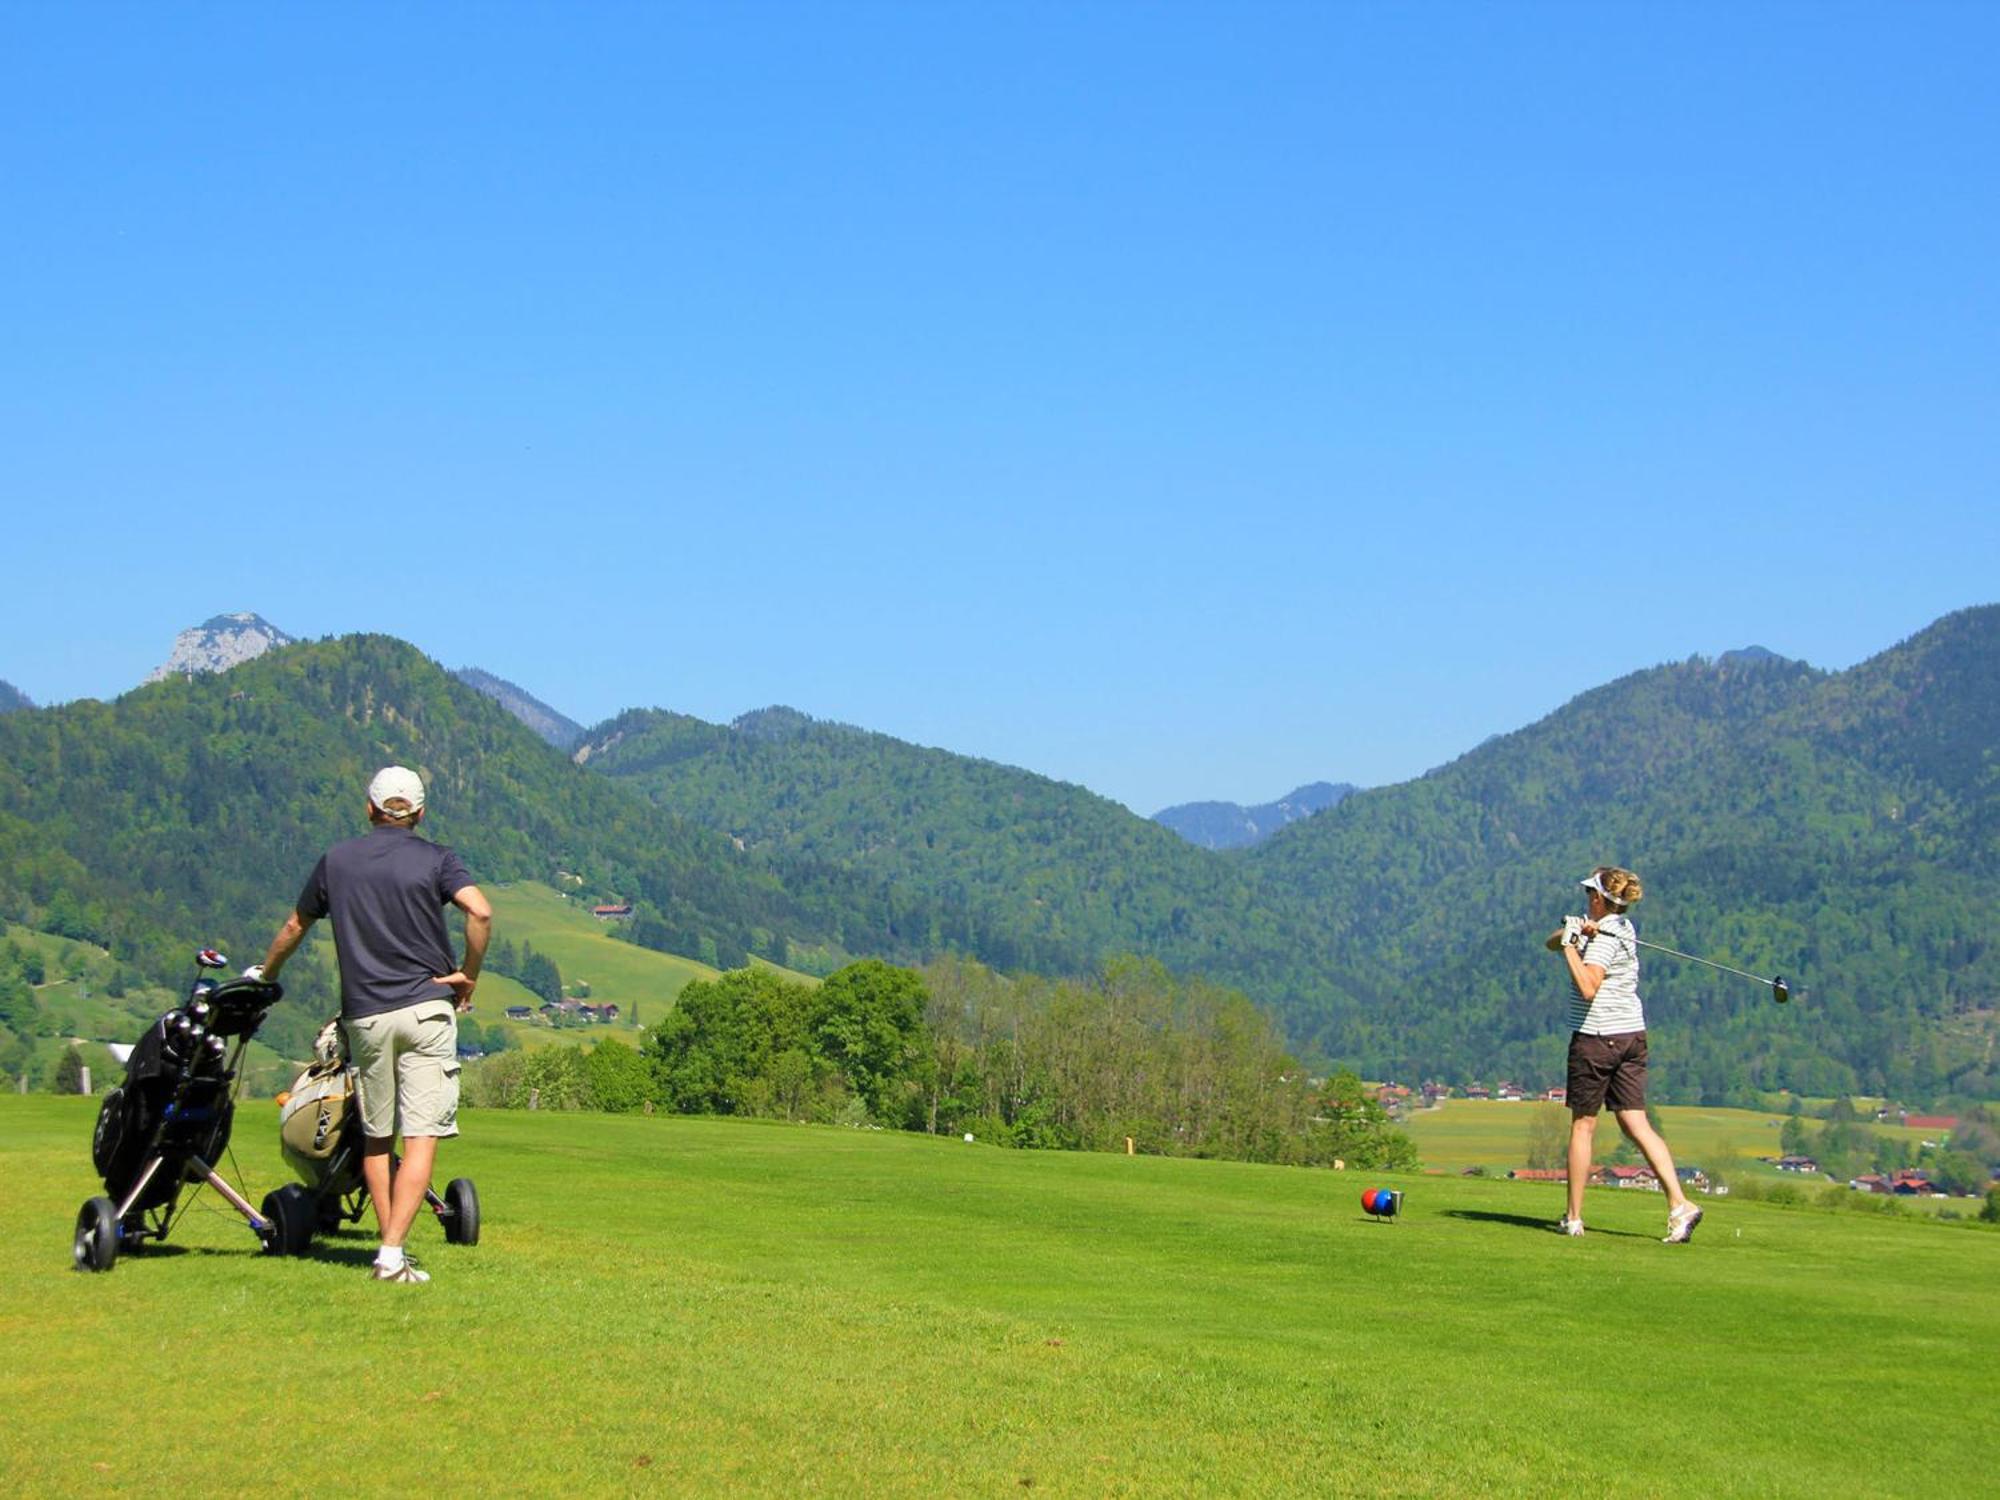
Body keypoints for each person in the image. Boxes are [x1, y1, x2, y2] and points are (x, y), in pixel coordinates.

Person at [257, 766, 491, 1282]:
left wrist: (266, 973)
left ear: (370, 807)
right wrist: (467, 977)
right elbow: (480, 912)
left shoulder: (336, 861)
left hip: (366, 1013)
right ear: (420, 813)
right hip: (428, 1007)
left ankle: (390, 1253)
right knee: (421, 1138)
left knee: (377, 1139)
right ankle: (390, 1253)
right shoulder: (437, 859)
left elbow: (296, 925)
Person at [1545, 866, 1703, 1244]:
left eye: (1589, 895)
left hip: (1598, 1039)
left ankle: (1573, 1218)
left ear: (1599, 898)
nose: (1586, 899)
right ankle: (1680, 1204)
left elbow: (1587, 986)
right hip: (1631, 1036)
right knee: (1636, 1124)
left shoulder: (1603, 941)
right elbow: (1552, 941)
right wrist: (1571, 931)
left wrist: (1572, 947)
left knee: (1583, 1126)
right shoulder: (1621, 928)